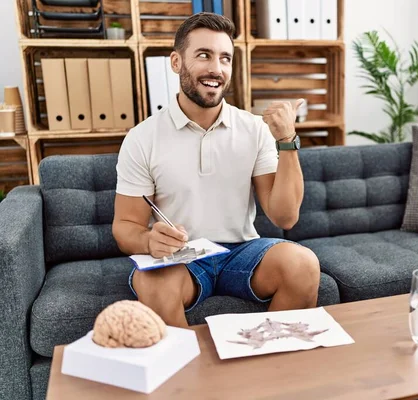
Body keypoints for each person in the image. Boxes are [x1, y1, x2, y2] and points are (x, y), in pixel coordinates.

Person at [111, 12, 320, 328]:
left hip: (243, 252)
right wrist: (149, 241)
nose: (216, 68)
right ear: (176, 62)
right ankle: (189, 377)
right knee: (152, 283)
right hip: (181, 257)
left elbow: (285, 216)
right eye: (204, 55)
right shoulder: (143, 137)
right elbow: (125, 226)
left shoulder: (254, 129)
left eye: (225, 58)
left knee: (303, 264)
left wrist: (287, 141)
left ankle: (271, 369)